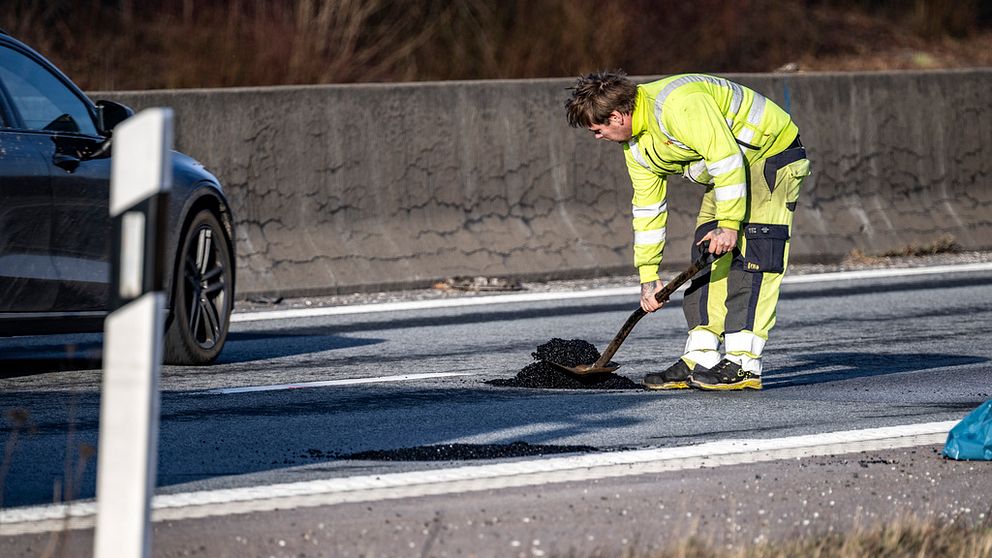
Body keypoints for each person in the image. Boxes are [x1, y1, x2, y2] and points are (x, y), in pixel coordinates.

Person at [564, 71, 810, 391]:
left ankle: (743, 363)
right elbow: (648, 209)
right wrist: (648, 275)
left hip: (769, 156)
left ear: (616, 116)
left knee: (754, 255)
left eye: (598, 129)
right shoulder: (636, 146)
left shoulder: (679, 105)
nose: (597, 136)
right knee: (707, 252)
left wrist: (730, 224)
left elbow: (724, 157)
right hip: (730, 173)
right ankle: (701, 356)